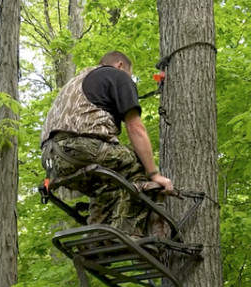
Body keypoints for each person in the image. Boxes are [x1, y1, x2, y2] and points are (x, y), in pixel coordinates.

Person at [40, 51, 174, 237]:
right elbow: (135, 127)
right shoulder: (116, 75)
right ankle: (128, 235)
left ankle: (97, 240)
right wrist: (155, 174)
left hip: (52, 160)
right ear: (120, 65)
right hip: (80, 148)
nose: (129, 79)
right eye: (130, 73)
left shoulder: (76, 82)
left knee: (108, 186)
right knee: (138, 166)